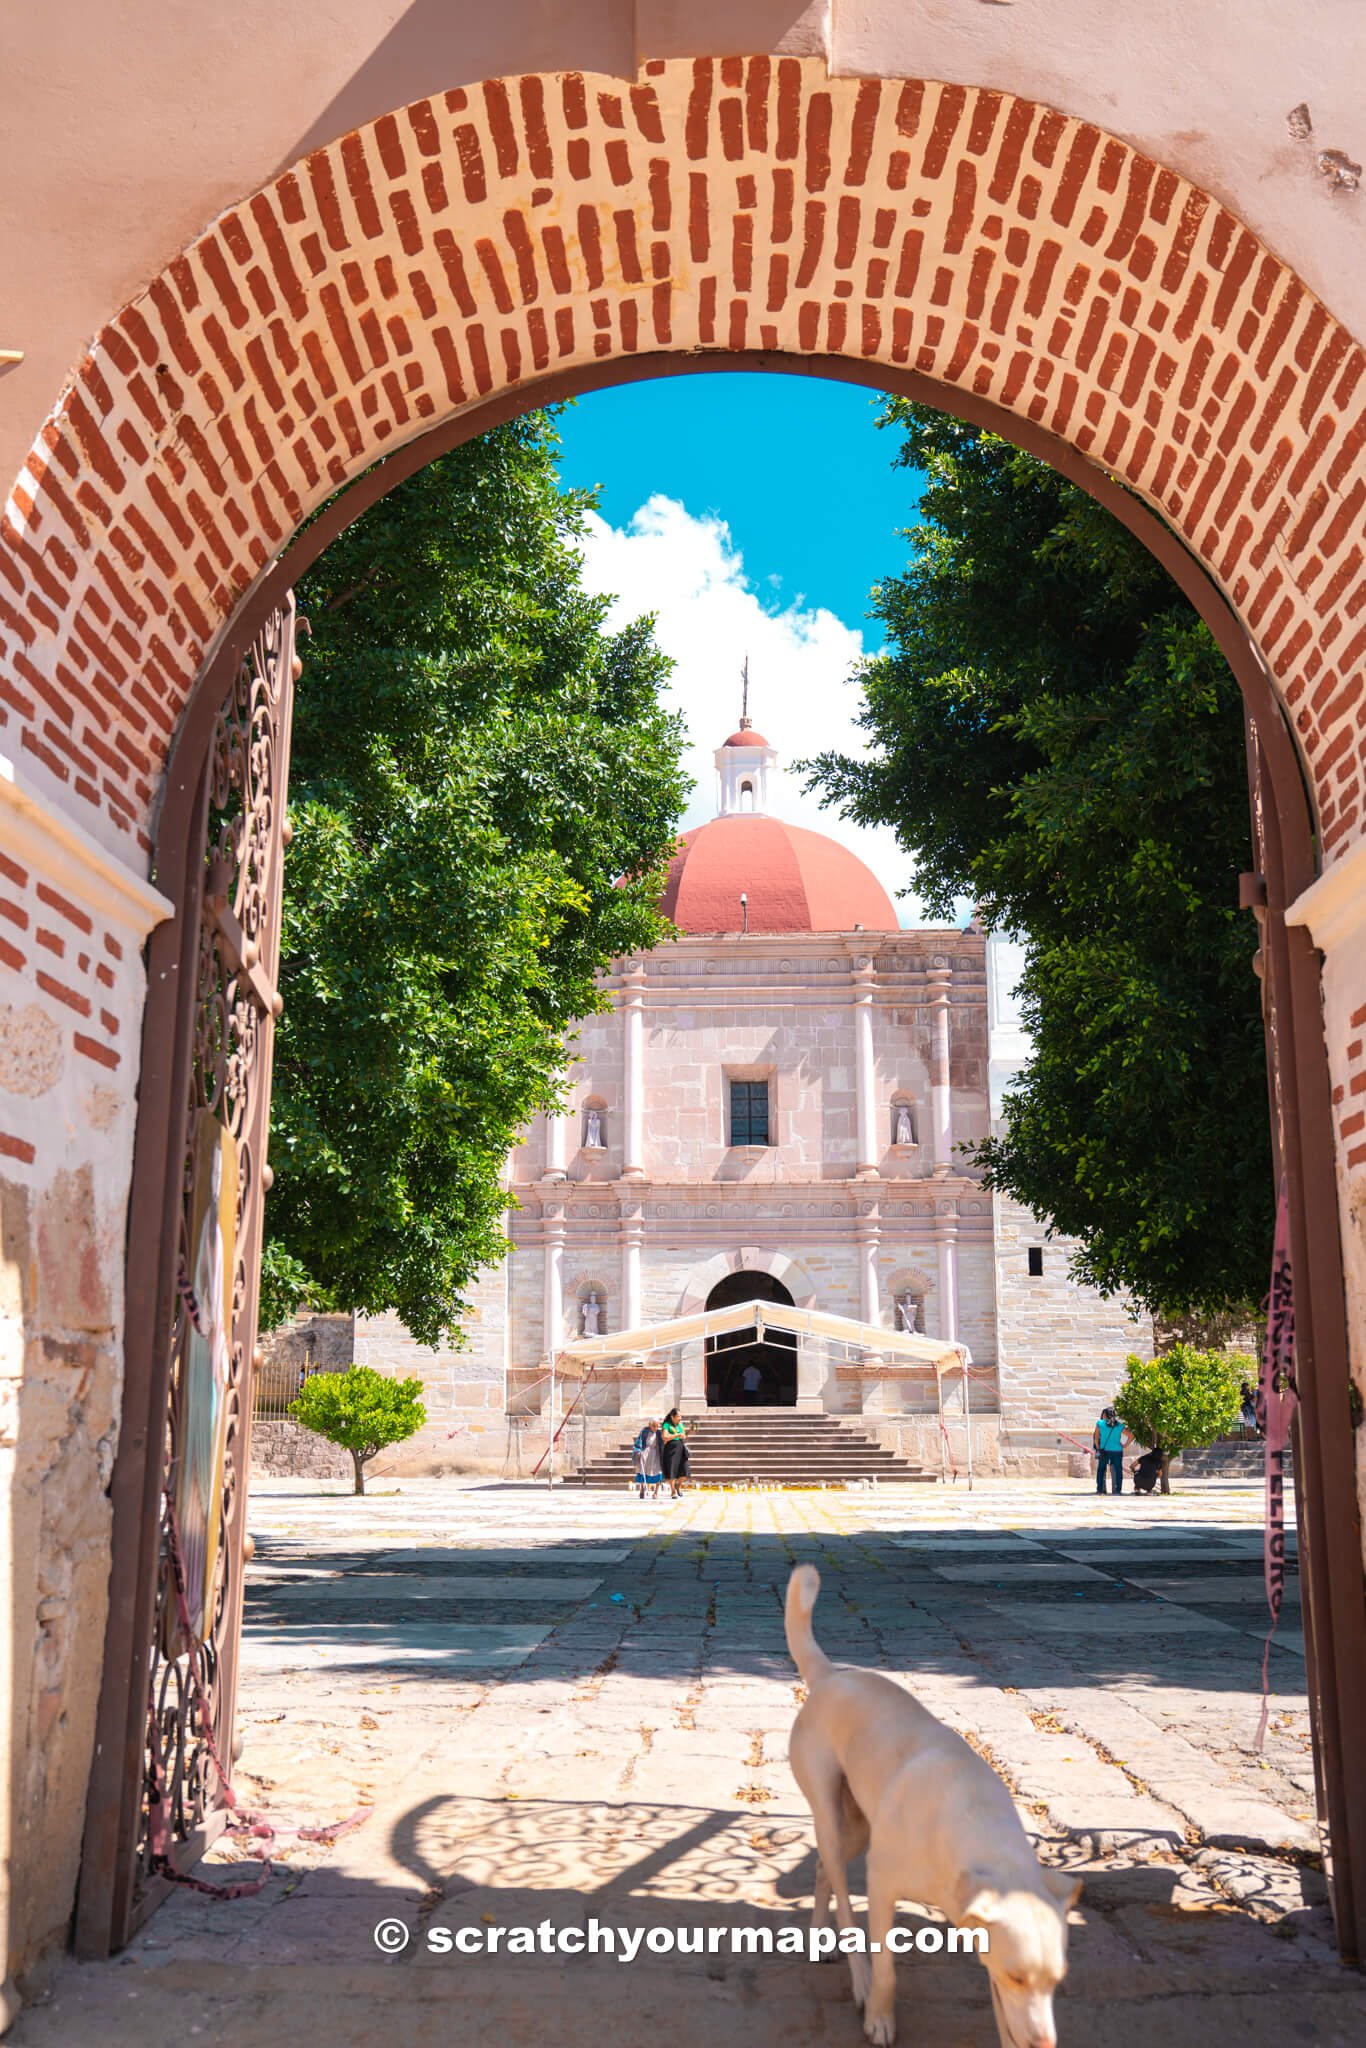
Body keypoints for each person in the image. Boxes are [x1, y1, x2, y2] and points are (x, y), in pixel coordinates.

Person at [1092, 1405, 1129, 1495]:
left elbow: (1096, 1437)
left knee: (1101, 1469)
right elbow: (1131, 1435)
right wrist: (1125, 1445)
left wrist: (1098, 1447)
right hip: (1117, 1450)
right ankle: (1117, 1490)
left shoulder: (1100, 1423)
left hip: (1104, 1450)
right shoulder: (1119, 1425)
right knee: (1118, 1470)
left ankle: (1100, 1490)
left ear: (1105, 1414)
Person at [661, 1407, 691, 1498]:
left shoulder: (680, 1425)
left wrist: (689, 1432)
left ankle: (678, 1486)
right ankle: (673, 1491)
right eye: (678, 1416)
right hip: (671, 1449)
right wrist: (677, 1435)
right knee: (672, 1470)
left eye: (680, 1416)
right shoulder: (666, 1425)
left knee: (685, 1471)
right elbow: (664, 1437)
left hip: (681, 1448)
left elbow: (684, 1436)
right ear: (672, 1417)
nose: (680, 1418)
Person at [632, 1418, 663, 1500]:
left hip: (656, 1454)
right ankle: (642, 1489)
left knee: (658, 1472)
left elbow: (662, 1443)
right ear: (649, 1425)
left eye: (657, 1426)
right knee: (643, 1471)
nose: (655, 1428)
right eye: (654, 1426)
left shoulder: (659, 1433)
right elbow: (639, 1442)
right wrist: (638, 1451)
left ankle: (656, 1492)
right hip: (645, 1453)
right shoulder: (644, 1432)